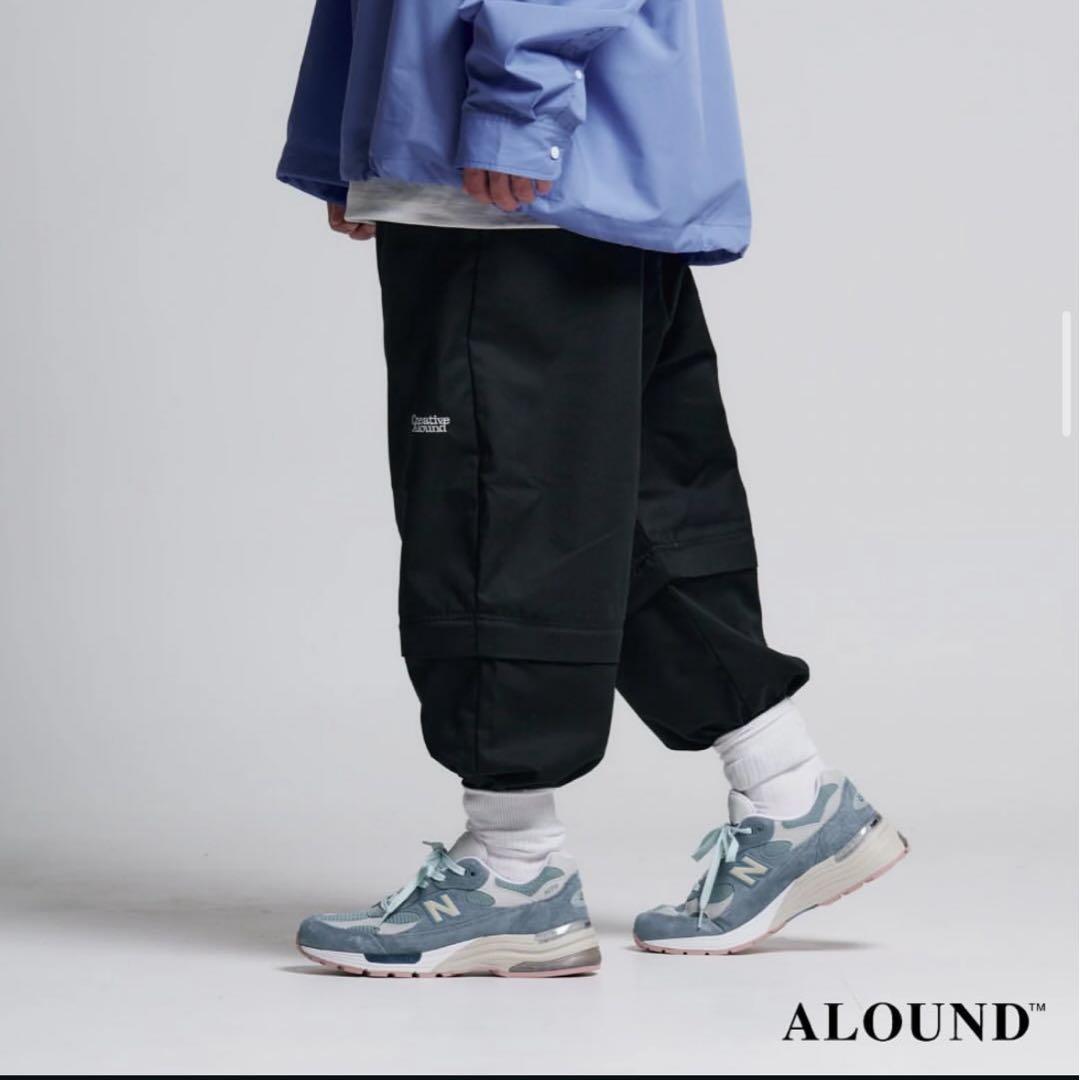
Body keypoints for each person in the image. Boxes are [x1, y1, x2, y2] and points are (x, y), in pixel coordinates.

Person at [277, 0, 907, 978]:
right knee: (636, 507)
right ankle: (791, 793)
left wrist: (509, 109)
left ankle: (513, 867)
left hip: (504, 160)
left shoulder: (510, 126)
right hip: (568, 151)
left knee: (492, 510)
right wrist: (355, 135)